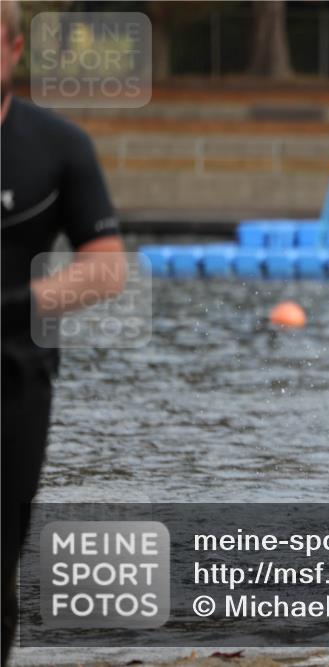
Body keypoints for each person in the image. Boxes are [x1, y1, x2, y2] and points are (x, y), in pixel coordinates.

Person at [1, 2, 127, 662]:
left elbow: (106, 268)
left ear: (14, 50)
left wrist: (21, 301)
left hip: (15, 378)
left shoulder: (58, 146)